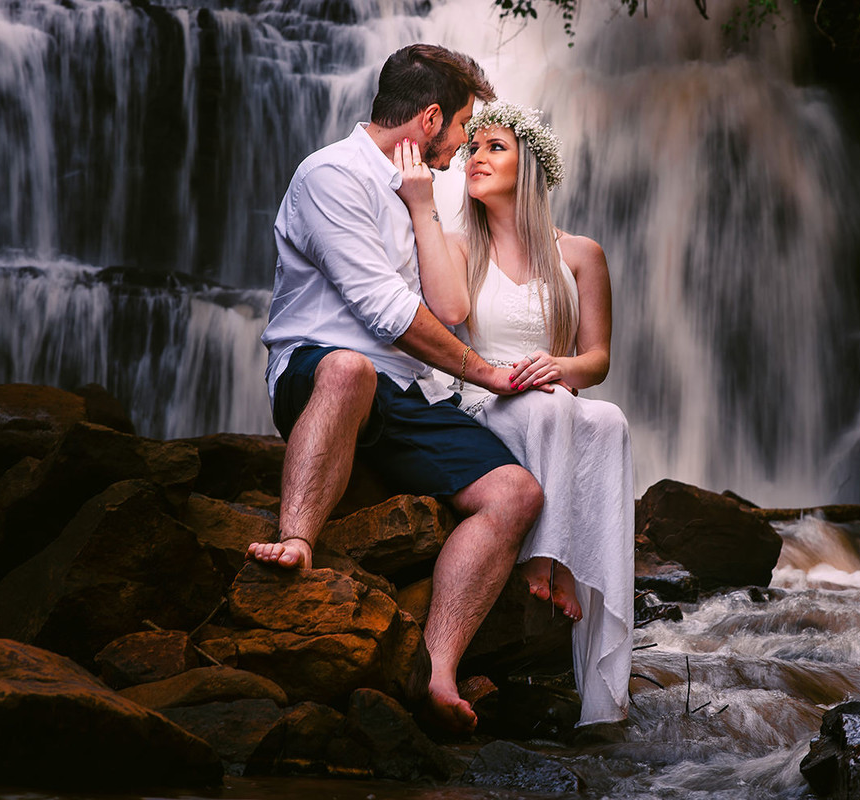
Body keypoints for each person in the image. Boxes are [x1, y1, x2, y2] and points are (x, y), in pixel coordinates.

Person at [246, 45, 545, 735]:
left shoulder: (420, 190)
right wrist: (485, 373)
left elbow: (447, 309)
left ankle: (438, 670)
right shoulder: (330, 175)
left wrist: (424, 209)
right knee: (351, 367)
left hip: (408, 390)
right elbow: (383, 311)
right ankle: (297, 539)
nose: (464, 144)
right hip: (316, 371)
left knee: (516, 493)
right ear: (430, 118)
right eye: (462, 126)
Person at [394, 101, 634, 726]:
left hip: (549, 396)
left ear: (529, 165)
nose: (475, 157)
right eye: (472, 147)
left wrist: (560, 366)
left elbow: (598, 359)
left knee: (609, 419)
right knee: (551, 407)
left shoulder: (580, 254)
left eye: (494, 147)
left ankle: (602, 618)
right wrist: (422, 205)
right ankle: (544, 561)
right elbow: (448, 312)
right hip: (484, 401)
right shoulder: (458, 247)